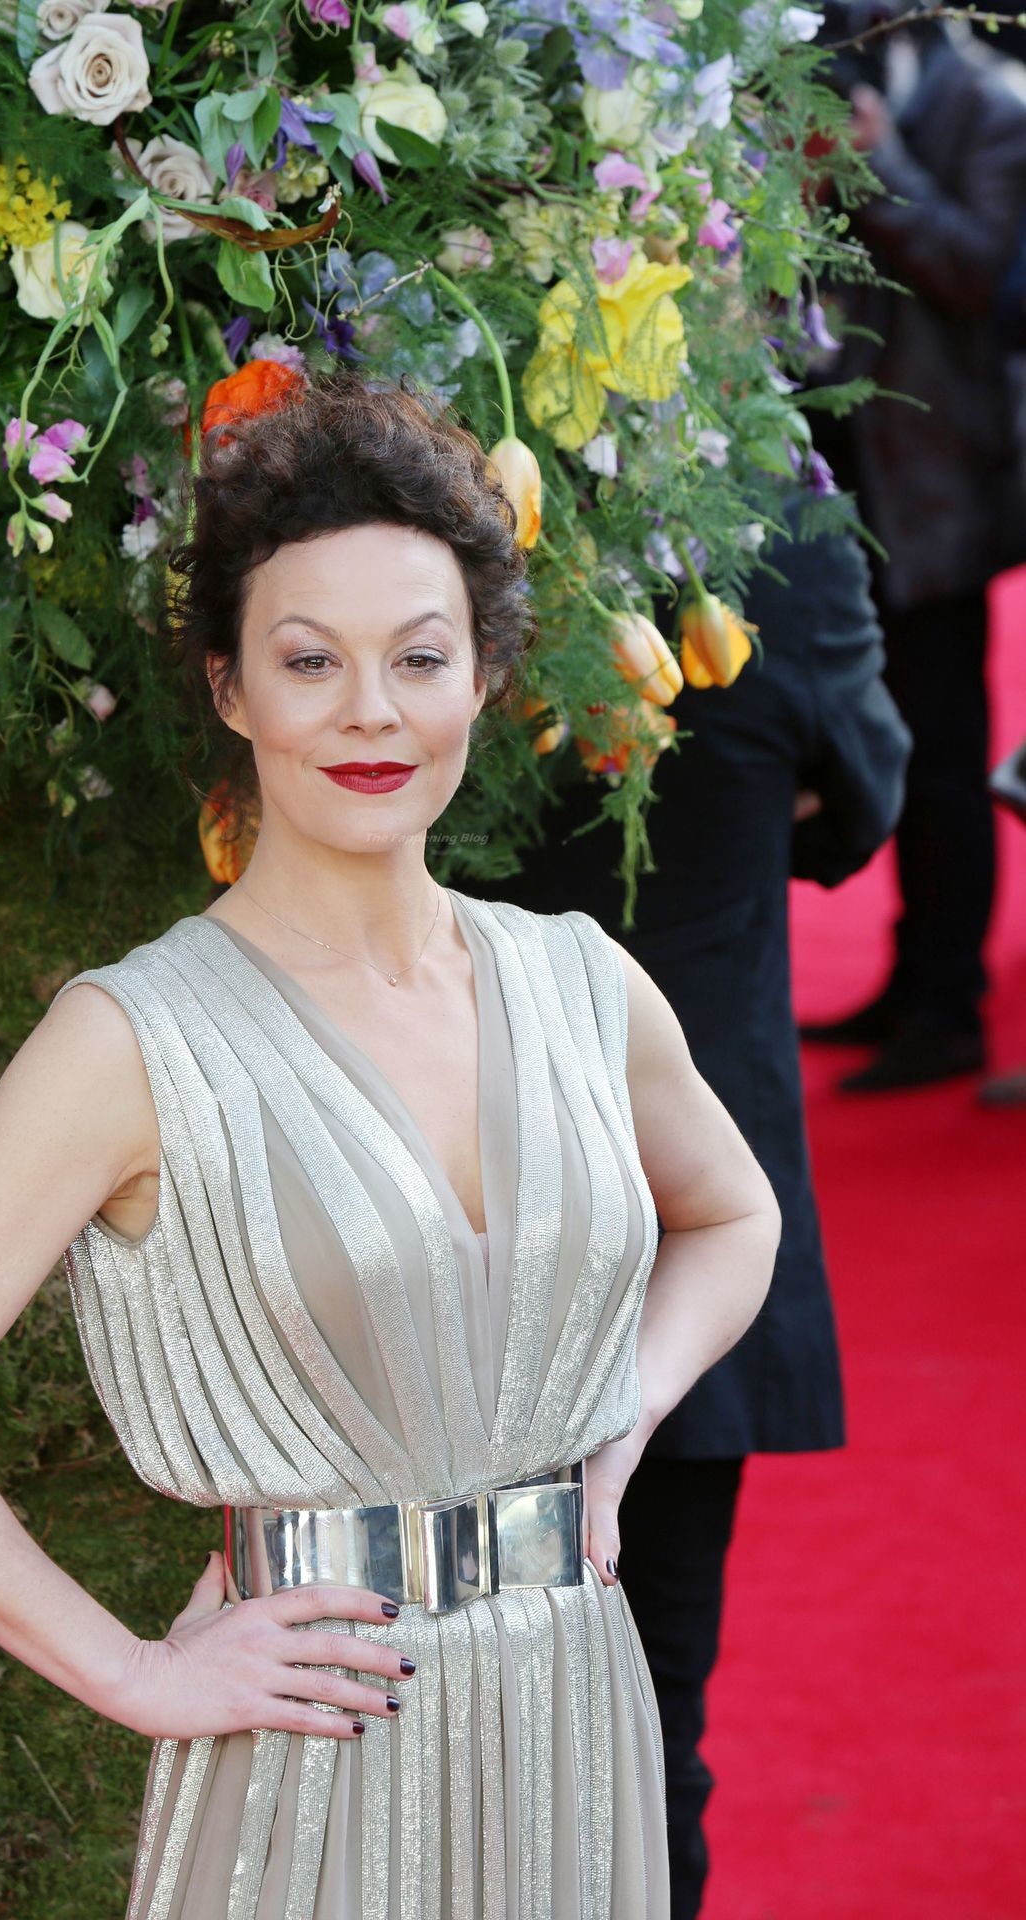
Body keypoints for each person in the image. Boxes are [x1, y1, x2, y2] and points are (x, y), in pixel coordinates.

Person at [0, 371, 782, 1920]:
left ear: (482, 677)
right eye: (309, 661)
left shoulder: (578, 982)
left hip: (570, 1714)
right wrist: (133, 1674)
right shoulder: (132, 1041)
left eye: (418, 658)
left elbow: (732, 1217)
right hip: (321, 1746)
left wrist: (624, 1414)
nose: (370, 712)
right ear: (231, 690)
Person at [495, 502, 911, 1918]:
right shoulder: (772, 520)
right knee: (644, 1726)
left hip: (437, 1197)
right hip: (680, 1199)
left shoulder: (389, 499)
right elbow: (862, 795)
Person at [801, 8, 1026, 1089]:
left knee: (941, 751)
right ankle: (909, 979)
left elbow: (978, 268)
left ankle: (948, 1002)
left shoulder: (984, 102)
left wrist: (876, 161)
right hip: (837, 472)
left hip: (933, 490)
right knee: (868, 736)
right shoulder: (821, 80)